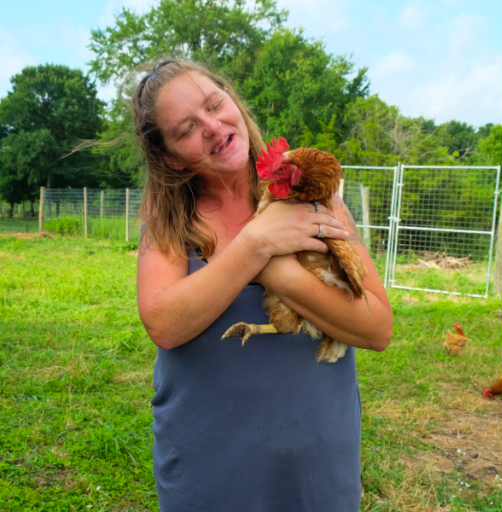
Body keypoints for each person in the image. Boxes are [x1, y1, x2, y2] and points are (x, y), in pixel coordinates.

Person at [132, 60, 393, 511]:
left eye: (215, 105)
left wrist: (281, 274)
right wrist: (253, 246)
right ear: (171, 155)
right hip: (210, 469)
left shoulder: (315, 200)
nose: (213, 127)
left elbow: (377, 328)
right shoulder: (171, 221)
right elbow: (163, 324)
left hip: (317, 462)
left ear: (233, 101)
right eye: (188, 128)